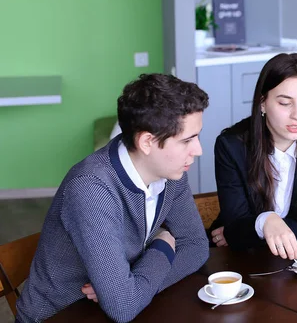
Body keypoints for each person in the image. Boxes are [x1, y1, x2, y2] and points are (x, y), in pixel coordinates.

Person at [17, 74, 210, 323]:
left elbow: (196, 246)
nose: (198, 150)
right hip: (60, 316)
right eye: (187, 140)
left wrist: (134, 285)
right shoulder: (91, 189)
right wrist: (163, 244)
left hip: (114, 310)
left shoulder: (170, 171)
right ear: (147, 142)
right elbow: (124, 307)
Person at [209, 53, 297, 260]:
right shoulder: (232, 145)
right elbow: (235, 224)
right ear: (263, 102)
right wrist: (258, 225)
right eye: (285, 103)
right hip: (243, 258)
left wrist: (259, 227)